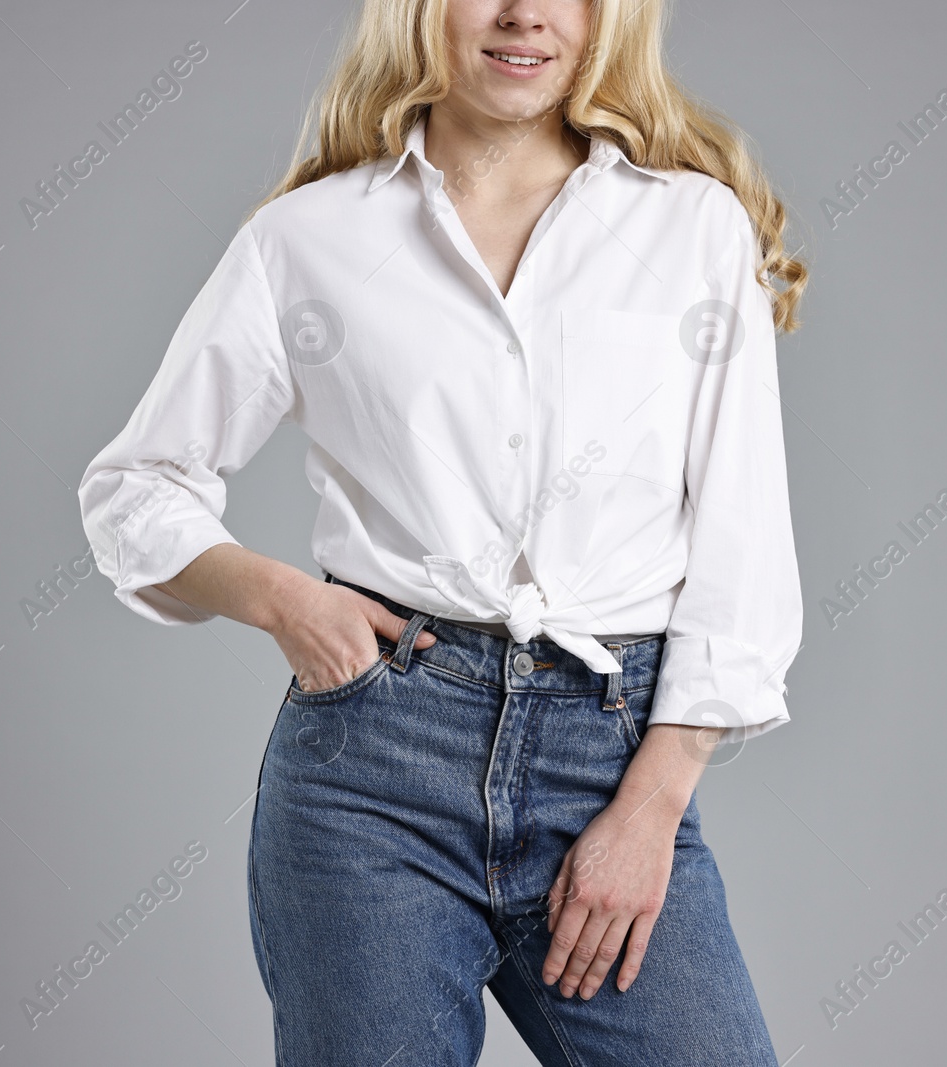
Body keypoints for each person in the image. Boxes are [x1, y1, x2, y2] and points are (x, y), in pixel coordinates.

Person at [77, 0, 808, 1062]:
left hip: (609, 754)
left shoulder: (689, 226)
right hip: (369, 770)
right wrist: (284, 599)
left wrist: (653, 800)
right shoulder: (311, 239)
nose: (524, 14)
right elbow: (135, 485)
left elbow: (743, 537)